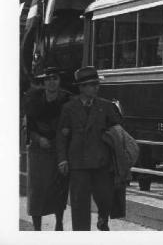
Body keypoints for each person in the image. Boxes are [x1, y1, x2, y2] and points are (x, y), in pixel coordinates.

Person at [56, 66, 122, 231]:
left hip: (101, 162)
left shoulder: (106, 107)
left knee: (106, 198)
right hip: (78, 164)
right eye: (92, 84)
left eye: (97, 84)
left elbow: (119, 131)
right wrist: (62, 159)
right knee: (79, 205)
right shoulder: (69, 108)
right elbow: (62, 136)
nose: (96, 87)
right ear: (82, 88)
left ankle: (103, 217)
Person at [25, 67, 71, 231]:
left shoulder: (67, 99)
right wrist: (39, 139)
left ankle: (59, 224)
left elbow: (69, 124)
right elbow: (29, 128)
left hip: (59, 150)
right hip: (38, 151)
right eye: (48, 79)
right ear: (44, 83)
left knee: (59, 189)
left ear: (59, 81)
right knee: (37, 190)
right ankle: (37, 228)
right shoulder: (33, 100)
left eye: (55, 78)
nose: (51, 82)